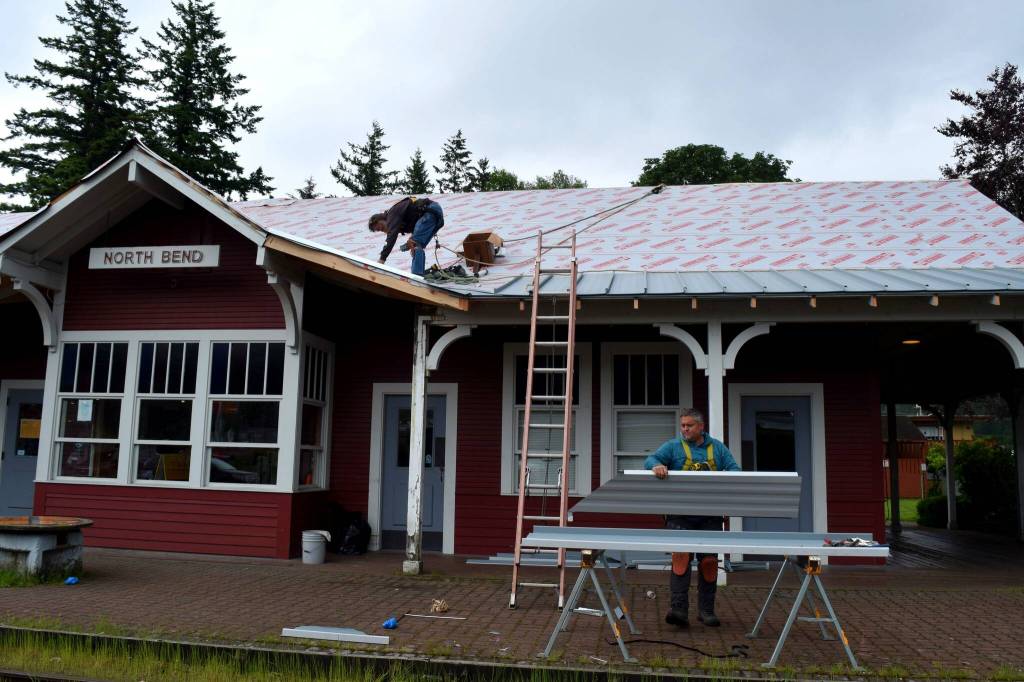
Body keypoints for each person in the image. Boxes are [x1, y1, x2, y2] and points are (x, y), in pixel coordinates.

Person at [644, 408, 740, 629]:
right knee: (681, 559)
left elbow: (735, 469)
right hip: (680, 513)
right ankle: (678, 610)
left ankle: (706, 611)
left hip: (710, 514)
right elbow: (651, 458)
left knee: (708, 563)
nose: (685, 429)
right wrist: (655, 466)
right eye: (683, 425)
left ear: (701, 426)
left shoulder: (717, 448)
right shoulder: (673, 447)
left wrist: (727, 477)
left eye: (689, 425)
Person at [368, 196, 444, 276]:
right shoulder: (398, 219)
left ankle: (416, 275)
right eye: (380, 230)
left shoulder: (392, 214)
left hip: (430, 211)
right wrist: (412, 239)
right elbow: (416, 222)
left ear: (382, 219)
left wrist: (382, 259)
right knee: (417, 246)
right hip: (435, 214)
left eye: (381, 227)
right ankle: (419, 273)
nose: (383, 231)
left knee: (415, 244)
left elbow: (391, 236)